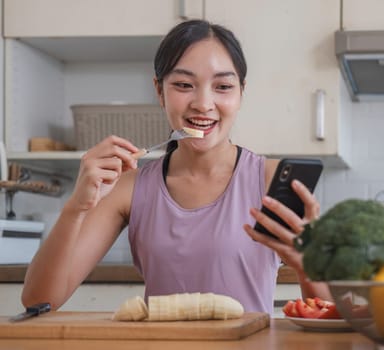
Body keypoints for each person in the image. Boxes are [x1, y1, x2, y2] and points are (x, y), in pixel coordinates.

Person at [21, 19, 330, 315]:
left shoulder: (271, 180)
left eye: (222, 86)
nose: (203, 103)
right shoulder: (128, 188)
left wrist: (309, 261)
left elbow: (327, 317)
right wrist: (76, 207)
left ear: (241, 93)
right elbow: (40, 299)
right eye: (184, 84)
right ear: (159, 90)